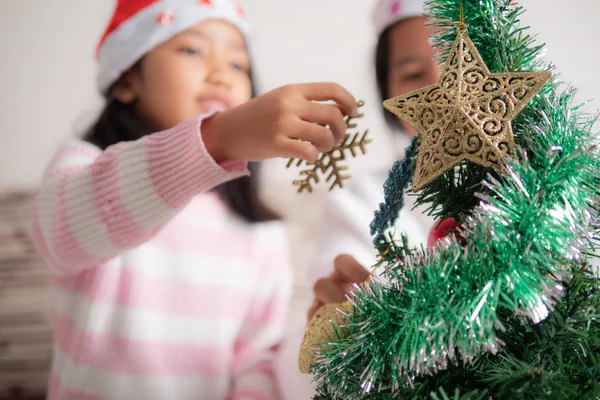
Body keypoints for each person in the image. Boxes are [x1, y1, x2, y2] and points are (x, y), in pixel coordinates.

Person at [29, 1, 358, 399]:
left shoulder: (260, 232)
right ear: (127, 79)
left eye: (238, 64)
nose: (222, 74)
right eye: (192, 50)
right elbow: (64, 233)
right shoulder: (84, 167)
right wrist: (218, 137)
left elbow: (256, 359)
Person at [274, 1, 439, 398]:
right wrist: (333, 329)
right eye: (413, 74)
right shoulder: (362, 202)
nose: (439, 89)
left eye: (459, 61)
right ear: (389, 95)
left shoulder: (553, 186)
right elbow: (302, 373)